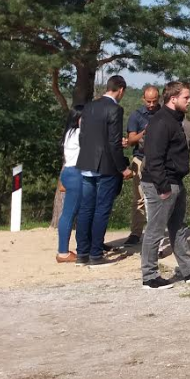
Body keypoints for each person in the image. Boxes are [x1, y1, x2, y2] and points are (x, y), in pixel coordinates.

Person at [140, 81, 190, 289]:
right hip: (161, 184)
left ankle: (189, 269)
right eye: (186, 97)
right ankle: (149, 276)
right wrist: (163, 187)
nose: (189, 101)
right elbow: (153, 158)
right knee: (155, 230)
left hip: (175, 181)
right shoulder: (160, 121)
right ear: (173, 99)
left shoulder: (175, 120)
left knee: (179, 227)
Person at [75, 75, 131, 267]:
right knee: (101, 210)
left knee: (85, 209)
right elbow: (114, 142)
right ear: (121, 90)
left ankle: (82, 253)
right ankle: (96, 254)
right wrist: (122, 168)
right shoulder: (115, 109)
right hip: (106, 166)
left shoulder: (89, 107)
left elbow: (82, 136)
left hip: (87, 162)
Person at [120, 85, 160, 248]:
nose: (151, 105)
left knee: (160, 197)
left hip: (159, 159)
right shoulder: (136, 115)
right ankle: (136, 233)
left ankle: (157, 233)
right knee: (139, 198)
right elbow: (130, 140)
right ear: (143, 99)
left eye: (154, 101)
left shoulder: (163, 113)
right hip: (140, 158)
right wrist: (145, 132)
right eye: (148, 101)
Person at [56, 106, 85, 263]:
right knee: (70, 213)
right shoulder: (80, 134)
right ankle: (63, 252)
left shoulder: (69, 133)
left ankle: (68, 249)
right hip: (76, 174)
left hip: (68, 172)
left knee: (70, 212)